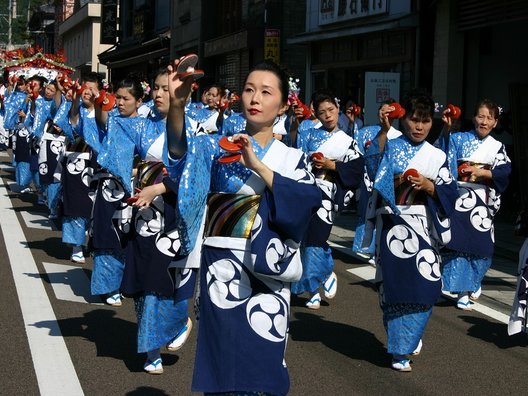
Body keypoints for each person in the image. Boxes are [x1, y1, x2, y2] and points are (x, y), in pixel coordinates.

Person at [165, 58, 321, 395]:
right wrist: (177, 106)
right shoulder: (216, 145)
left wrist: (259, 166)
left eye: (266, 92)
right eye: (250, 89)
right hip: (221, 269)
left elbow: (307, 201)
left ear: (282, 105)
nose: (255, 98)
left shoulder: (291, 158)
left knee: (264, 362)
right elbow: (179, 155)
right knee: (223, 366)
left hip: (268, 267)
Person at [363, 90, 458, 372]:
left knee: (426, 285)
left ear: (433, 123)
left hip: (422, 224)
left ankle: (406, 340)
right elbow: (370, 164)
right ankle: (401, 346)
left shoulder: (437, 155)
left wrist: (431, 187)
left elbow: (450, 192)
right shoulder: (390, 145)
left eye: (425, 121)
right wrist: (383, 130)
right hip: (393, 222)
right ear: (404, 119)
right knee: (392, 287)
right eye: (414, 120)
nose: (419, 126)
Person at [120, 68, 192, 374]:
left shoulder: (194, 128)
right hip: (145, 213)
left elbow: (194, 175)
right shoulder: (141, 127)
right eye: (158, 89)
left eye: (168, 89)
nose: (161, 94)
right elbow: (113, 141)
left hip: (176, 214)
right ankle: (151, 350)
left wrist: (161, 186)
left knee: (167, 279)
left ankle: (177, 321)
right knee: (147, 281)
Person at [290, 91, 364, 309]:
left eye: (331, 110)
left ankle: (320, 277)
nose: (328, 116)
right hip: (308, 188)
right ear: (316, 114)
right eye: (322, 113)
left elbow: (357, 170)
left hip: (329, 192)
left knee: (317, 237)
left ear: (337, 109)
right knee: (305, 239)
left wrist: (333, 166)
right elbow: (298, 159)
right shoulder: (310, 135)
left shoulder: (348, 141)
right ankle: (316, 285)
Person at [437, 99, 511, 310]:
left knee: (482, 247)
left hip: (482, 201)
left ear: (496, 122)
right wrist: (446, 127)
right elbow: (441, 153)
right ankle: (462, 291)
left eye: (489, 118)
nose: (484, 121)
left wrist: (482, 172)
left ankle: (473, 282)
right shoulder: (459, 139)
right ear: (474, 118)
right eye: (481, 116)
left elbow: (504, 173)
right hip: (460, 199)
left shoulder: (498, 147)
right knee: (459, 246)